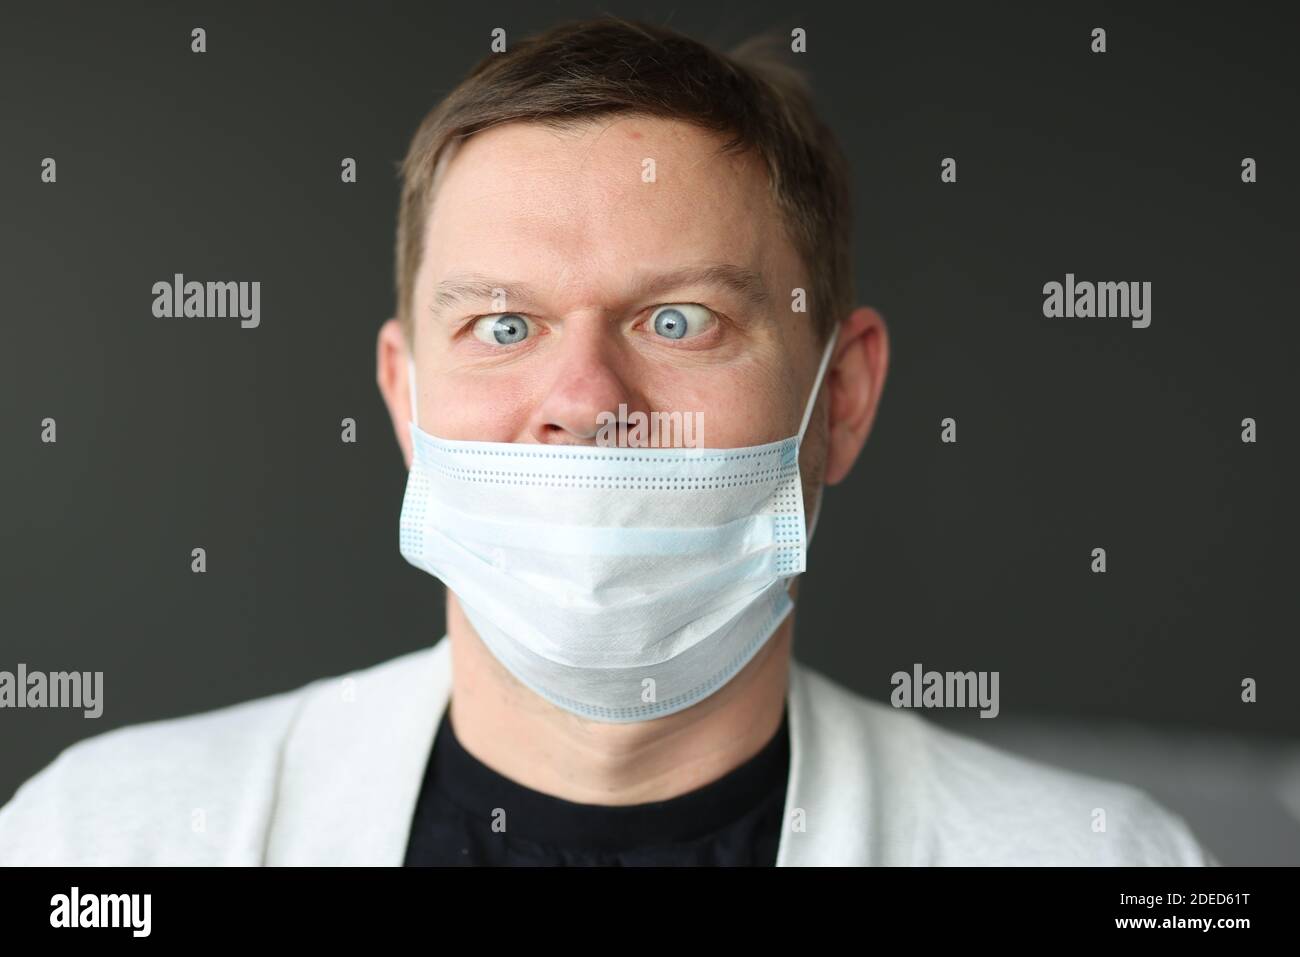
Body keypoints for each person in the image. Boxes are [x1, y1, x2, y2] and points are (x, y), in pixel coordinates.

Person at [0, 16, 1216, 866]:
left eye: (679, 318)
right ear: (403, 396)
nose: (585, 399)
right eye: (503, 322)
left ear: (840, 397)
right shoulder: (102, 845)